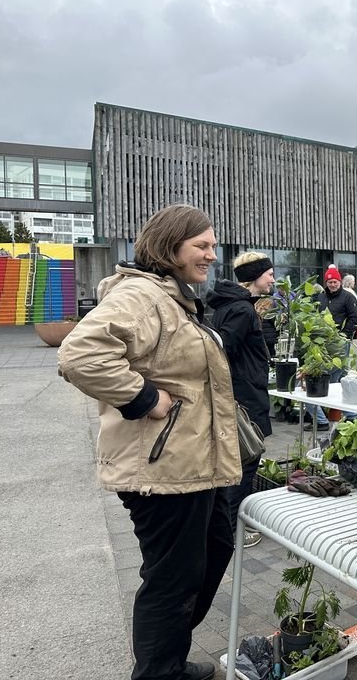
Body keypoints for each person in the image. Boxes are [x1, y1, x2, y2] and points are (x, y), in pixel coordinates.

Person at [58, 205, 238, 680]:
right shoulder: (142, 296)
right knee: (171, 581)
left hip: (189, 464)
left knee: (211, 551)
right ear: (169, 245)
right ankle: (161, 672)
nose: (211, 255)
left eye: (213, 246)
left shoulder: (173, 297)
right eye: (201, 245)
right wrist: (144, 398)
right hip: (161, 471)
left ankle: (167, 659)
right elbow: (80, 354)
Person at [206, 251, 276, 549]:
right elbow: (221, 353)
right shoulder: (242, 310)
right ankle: (233, 532)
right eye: (269, 273)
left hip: (241, 393)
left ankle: (227, 527)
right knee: (245, 463)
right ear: (256, 276)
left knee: (237, 463)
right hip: (244, 398)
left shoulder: (234, 305)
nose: (273, 278)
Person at [311, 264, 357, 428]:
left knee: (334, 376)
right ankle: (352, 414)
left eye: (335, 281)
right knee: (338, 377)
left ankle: (342, 415)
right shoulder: (321, 297)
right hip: (323, 342)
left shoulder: (348, 297)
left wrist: (344, 335)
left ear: (340, 282)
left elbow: (354, 318)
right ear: (326, 282)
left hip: (340, 342)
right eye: (330, 281)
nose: (332, 284)